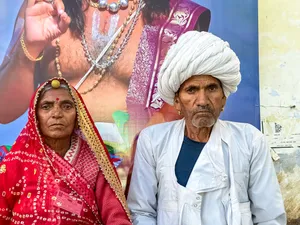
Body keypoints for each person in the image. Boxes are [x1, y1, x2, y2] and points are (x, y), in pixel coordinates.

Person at [0, 0, 210, 187]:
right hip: (53, 177)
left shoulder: (176, 17)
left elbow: (187, 117)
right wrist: (29, 48)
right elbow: (4, 111)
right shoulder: (46, 7)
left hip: (139, 181)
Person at [127, 31, 286, 225]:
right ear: (177, 102)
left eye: (211, 88)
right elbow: (141, 213)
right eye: (191, 90)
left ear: (223, 98)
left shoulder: (250, 140)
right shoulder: (152, 141)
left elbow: (270, 218)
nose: (202, 101)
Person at [0, 77, 131, 224]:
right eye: (46, 106)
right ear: (35, 116)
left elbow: (115, 216)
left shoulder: (95, 162)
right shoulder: (16, 162)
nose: (57, 114)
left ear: (78, 116)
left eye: (67, 106)